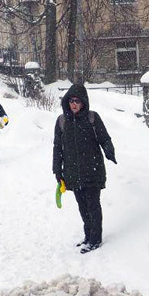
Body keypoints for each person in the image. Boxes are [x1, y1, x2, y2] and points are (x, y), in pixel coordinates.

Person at [52, 84, 116, 253]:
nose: (74, 104)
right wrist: (57, 171)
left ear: (84, 103)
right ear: (67, 102)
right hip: (73, 173)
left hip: (93, 170)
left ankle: (95, 239)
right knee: (82, 206)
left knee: (93, 205)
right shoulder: (61, 121)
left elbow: (104, 138)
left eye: (78, 101)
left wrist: (109, 150)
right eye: (71, 101)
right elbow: (57, 148)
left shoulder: (92, 118)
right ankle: (88, 236)